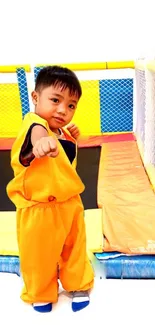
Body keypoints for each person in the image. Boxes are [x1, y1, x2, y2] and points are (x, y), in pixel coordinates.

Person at [7, 65, 94, 313]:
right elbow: (36, 136)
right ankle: (41, 291)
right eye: (55, 100)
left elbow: (62, 163)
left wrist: (70, 138)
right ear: (35, 97)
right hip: (39, 209)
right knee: (38, 254)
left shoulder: (60, 130)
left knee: (74, 248)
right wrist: (41, 142)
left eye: (71, 106)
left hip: (69, 204)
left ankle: (78, 284)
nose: (62, 110)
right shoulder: (34, 125)